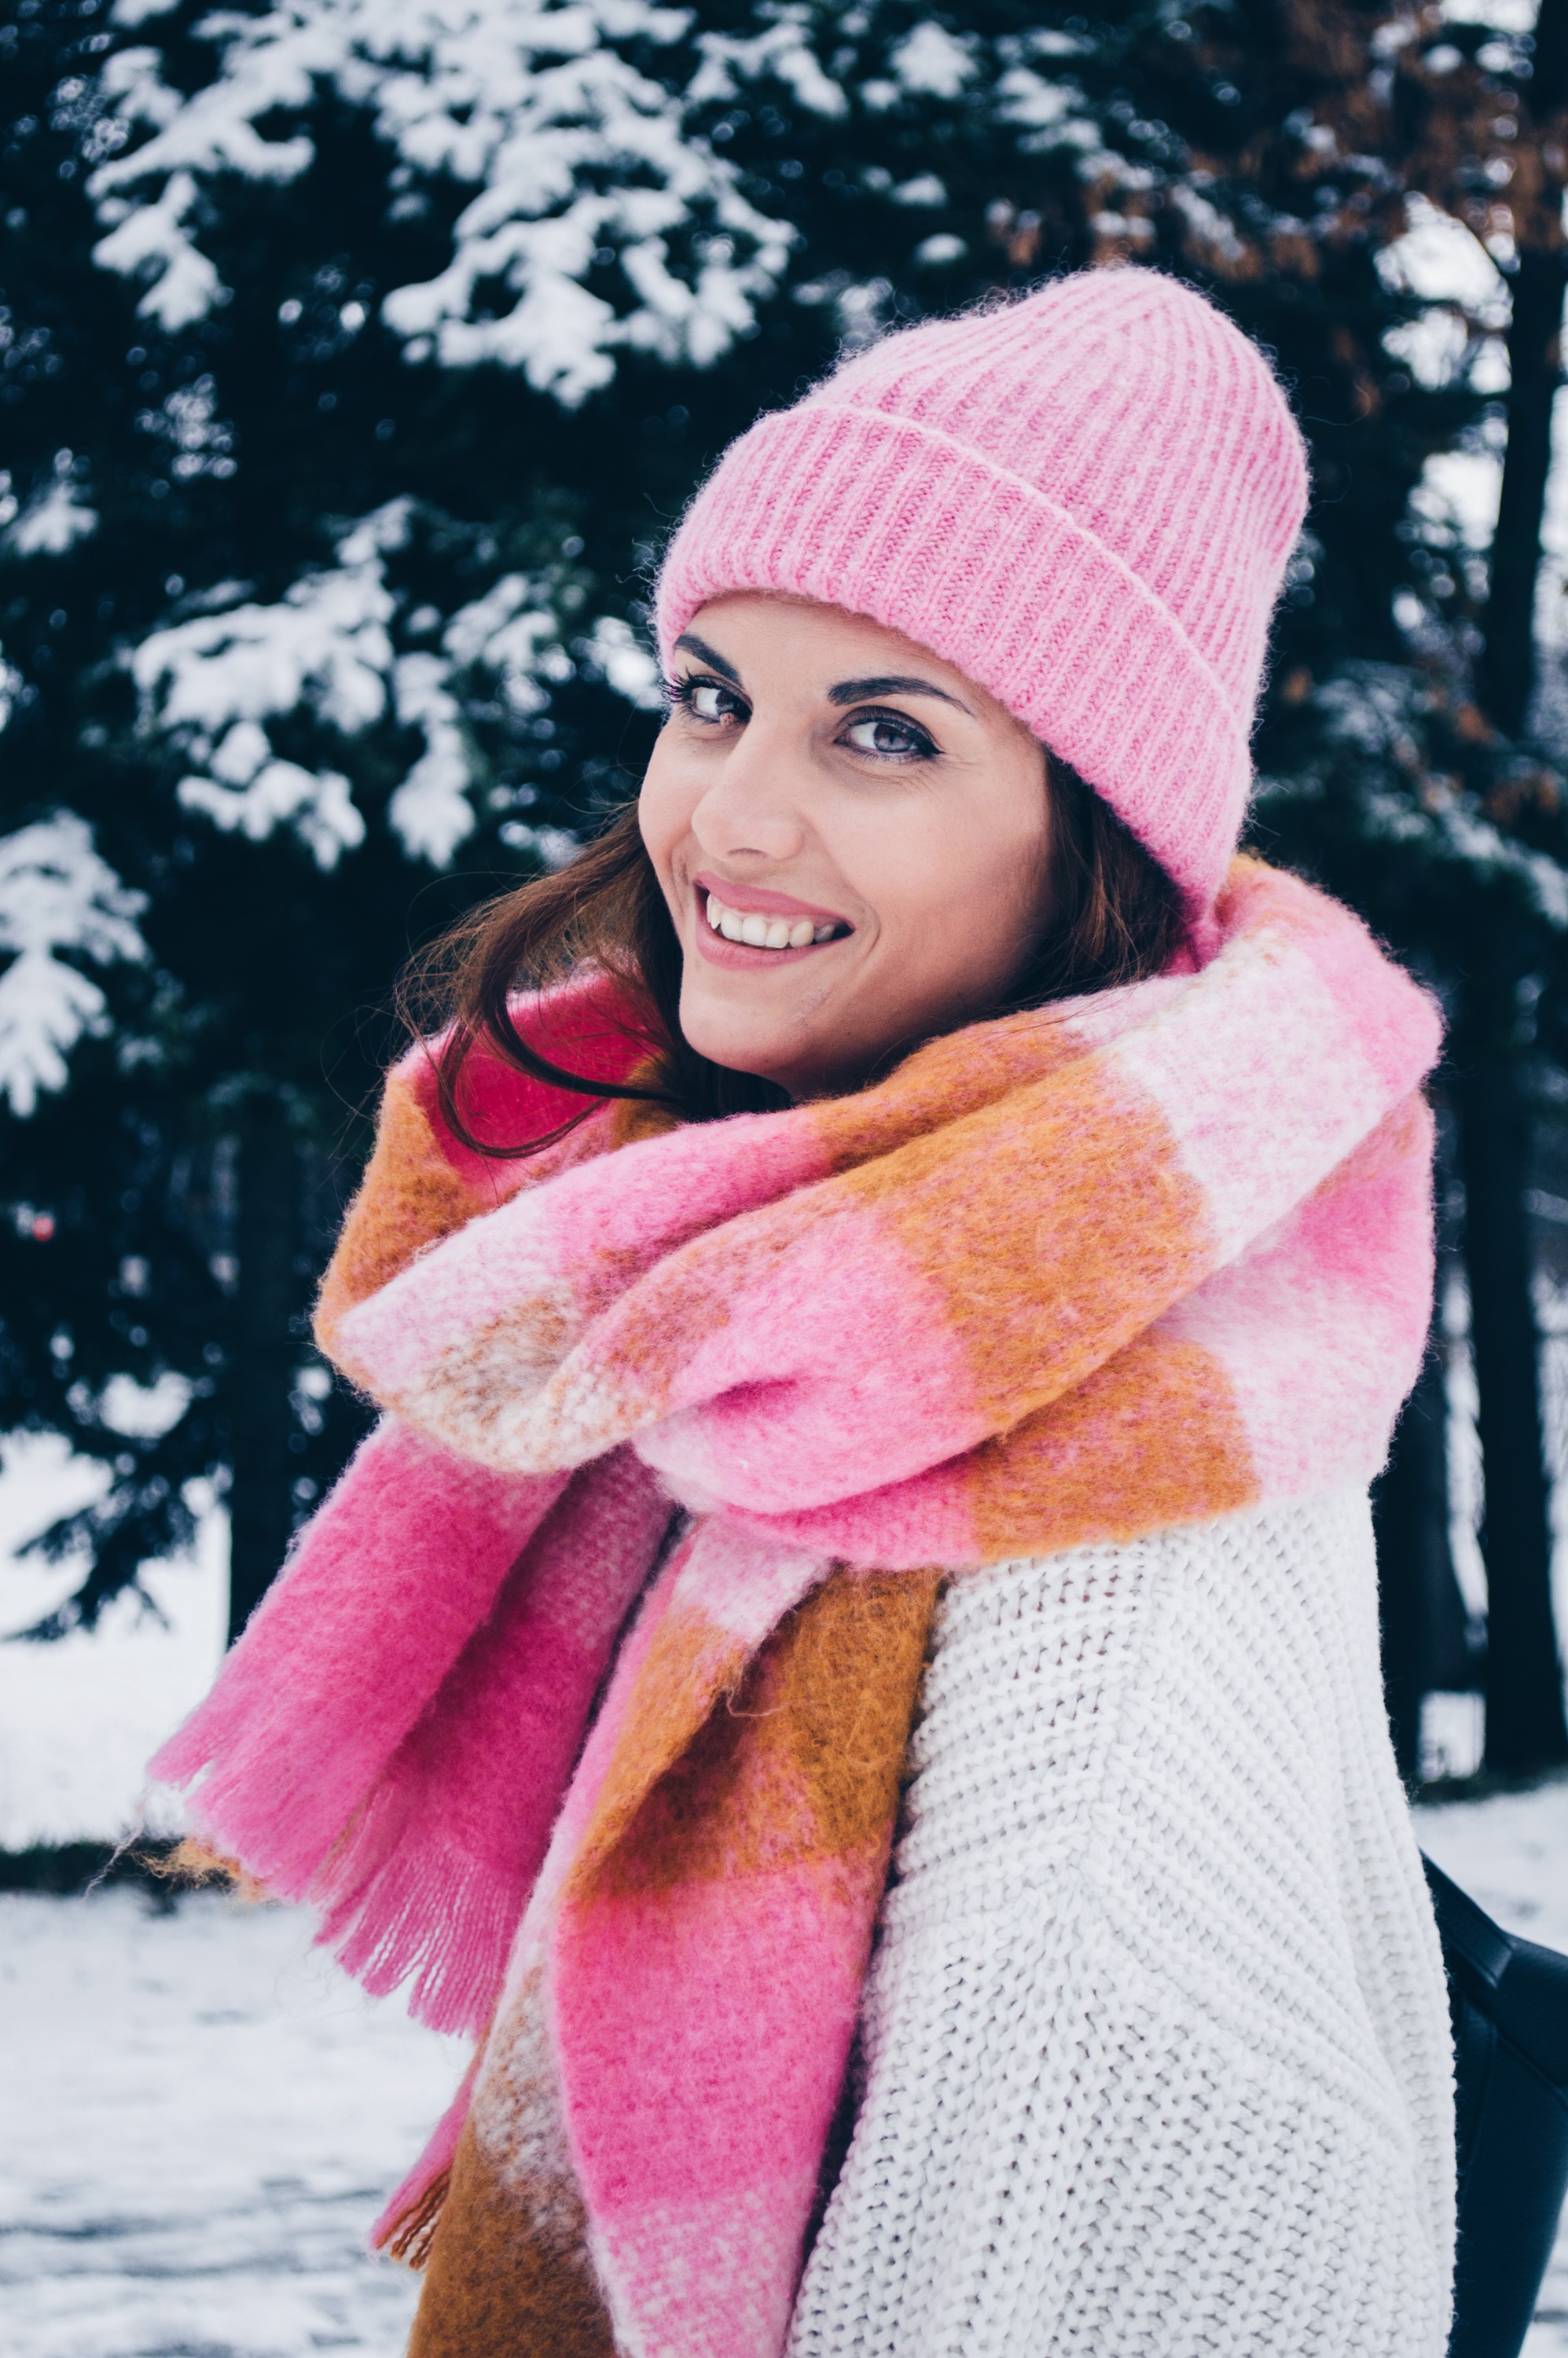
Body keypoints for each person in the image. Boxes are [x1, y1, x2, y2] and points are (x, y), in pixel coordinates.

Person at [153, 267, 1456, 2356]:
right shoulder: (755, 1289)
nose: (730, 818)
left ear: (1090, 831)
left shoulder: (1092, 1485)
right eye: (709, 695)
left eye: (880, 735)